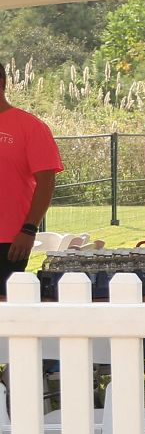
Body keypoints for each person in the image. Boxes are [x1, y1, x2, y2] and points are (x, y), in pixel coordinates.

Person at [0, 62, 62, 287]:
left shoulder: (30, 127)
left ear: (2, 84)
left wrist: (28, 229)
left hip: (10, 241)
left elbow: (46, 182)